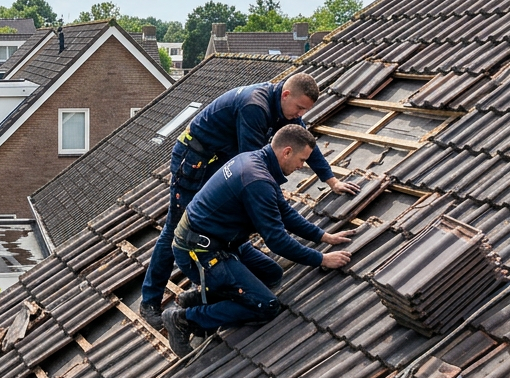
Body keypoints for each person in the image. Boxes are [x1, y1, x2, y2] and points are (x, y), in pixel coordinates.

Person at [138, 72, 358, 329]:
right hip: (195, 160)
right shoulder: (255, 106)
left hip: (219, 158)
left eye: (304, 112)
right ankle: (150, 302)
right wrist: (273, 205)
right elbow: (252, 169)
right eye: (298, 108)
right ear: (285, 95)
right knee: (175, 229)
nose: (299, 115)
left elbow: (302, 141)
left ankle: (204, 293)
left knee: (234, 229)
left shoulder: (288, 112)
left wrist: (331, 180)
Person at [161, 125, 354, 356]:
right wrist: (321, 259)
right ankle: (184, 319)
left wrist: (323, 236)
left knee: (271, 274)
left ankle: (201, 297)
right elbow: (277, 240)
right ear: (287, 152)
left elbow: (284, 212)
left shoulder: (256, 161)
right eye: (302, 160)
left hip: (223, 242)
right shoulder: (256, 180)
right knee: (266, 306)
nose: (302, 166)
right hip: (200, 253)